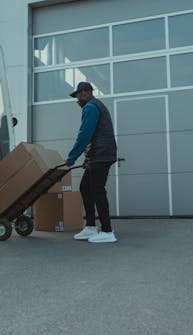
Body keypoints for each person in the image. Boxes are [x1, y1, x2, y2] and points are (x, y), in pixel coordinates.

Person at [65, 82, 118, 243]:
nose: (77, 100)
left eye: (78, 95)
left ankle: (108, 231)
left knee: (97, 190)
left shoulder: (91, 107)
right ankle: (90, 227)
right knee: (85, 188)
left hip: (102, 155)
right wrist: (88, 159)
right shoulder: (95, 106)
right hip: (99, 155)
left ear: (87, 93)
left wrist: (71, 158)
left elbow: (85, 134)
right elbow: (94, 135)